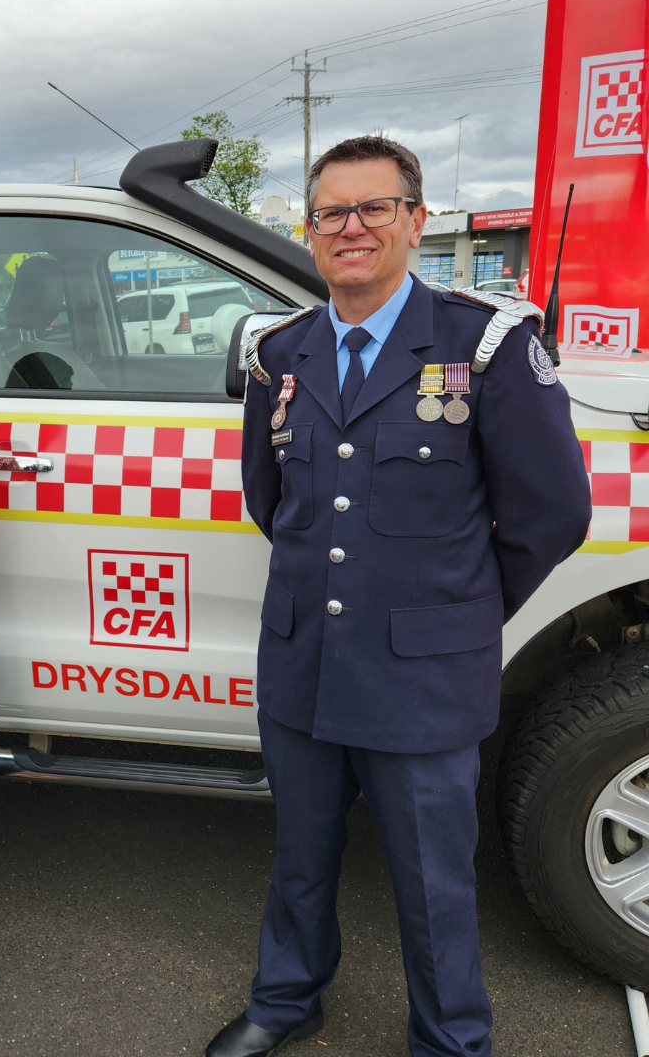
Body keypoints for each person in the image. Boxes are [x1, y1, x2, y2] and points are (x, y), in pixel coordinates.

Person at [205, 136, 591, 1057]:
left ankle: (451, 1038)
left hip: (424, 677)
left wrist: (456, 610)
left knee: (432, 879)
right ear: (309, 231)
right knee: (300, 856)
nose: (352, 228)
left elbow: (553, 513)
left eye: (374, 208)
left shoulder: (484, 343)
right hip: (303, 660)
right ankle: (287, 997)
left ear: (415, 223)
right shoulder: (281, 353)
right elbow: (275, 500)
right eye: (332, 211)